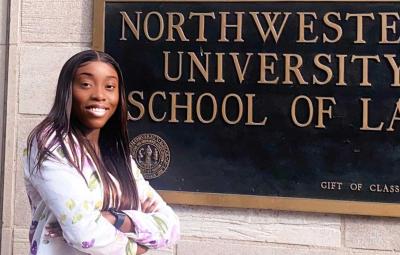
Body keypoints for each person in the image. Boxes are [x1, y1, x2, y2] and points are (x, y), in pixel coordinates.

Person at [23, 50, 180, 255]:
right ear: (67, 90)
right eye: (86, 84)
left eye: (110, 87)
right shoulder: (50, 144)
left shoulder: (116, 153)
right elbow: (84, 234)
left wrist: (116, 218)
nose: (99, 95)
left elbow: (171, 226)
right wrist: (138, 247)